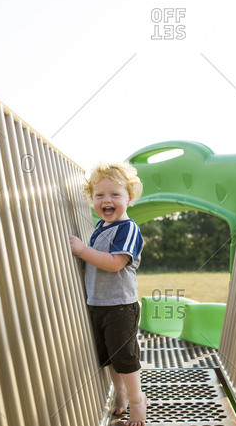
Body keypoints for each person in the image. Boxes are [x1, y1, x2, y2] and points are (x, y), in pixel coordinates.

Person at [69, 161, 147, 426]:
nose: (107, 200)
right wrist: (83, 259)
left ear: (130, 198)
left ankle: (138, 403)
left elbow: (114, 263)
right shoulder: (99, 228)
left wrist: (82, 251)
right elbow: (96, 261)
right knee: (109, 358)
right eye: (100, 195)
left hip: (120, 306)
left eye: (115, 194)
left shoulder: (127, 229)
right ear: (92, 199)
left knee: (124, 358)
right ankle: (121, 394)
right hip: (98, 303)